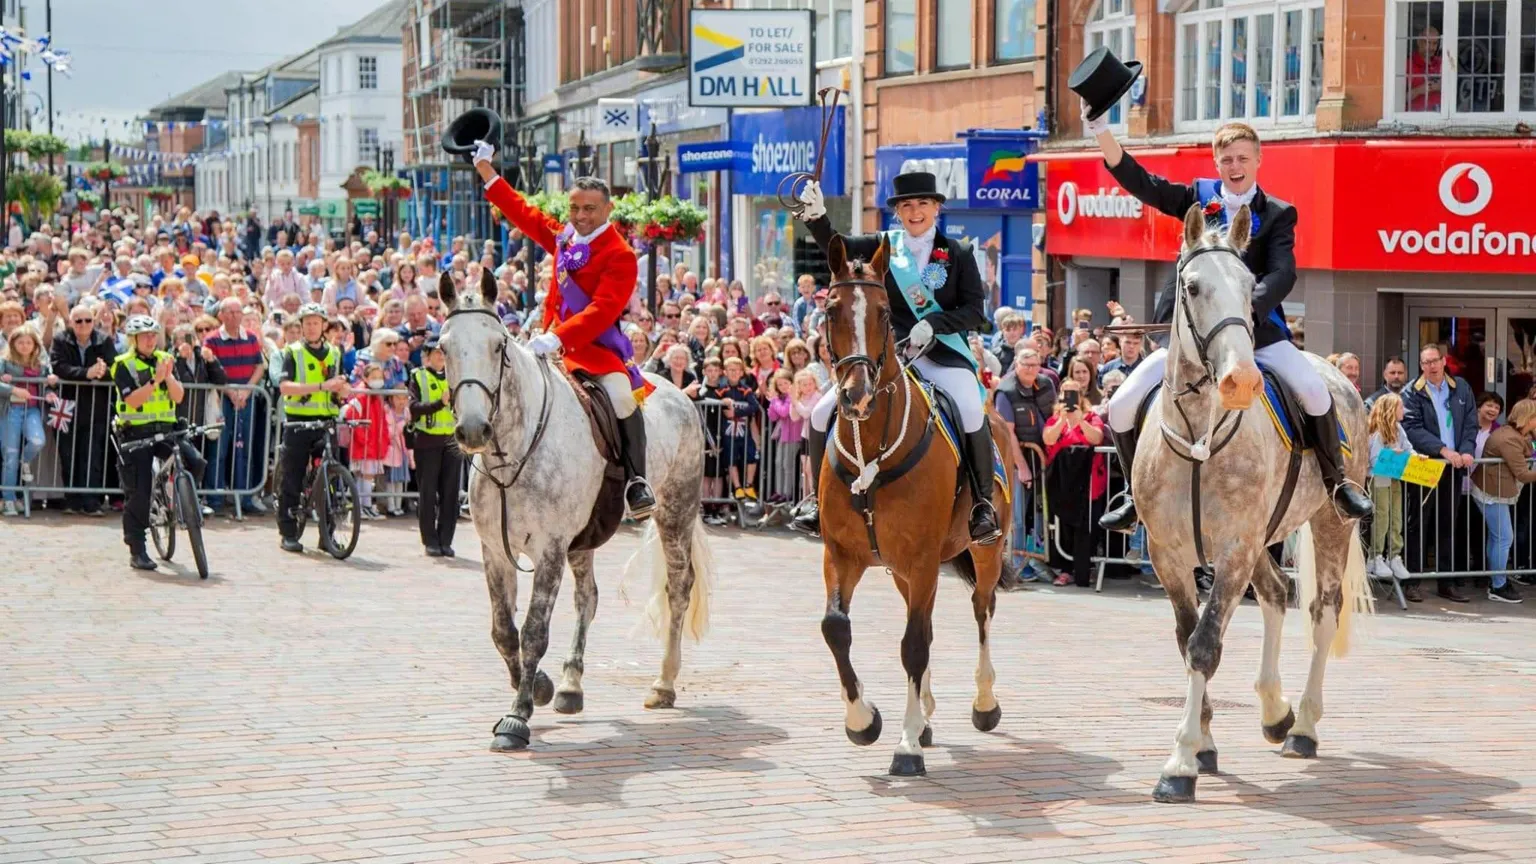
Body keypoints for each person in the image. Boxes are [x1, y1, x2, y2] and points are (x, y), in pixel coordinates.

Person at [1083, 111, 1373, 530]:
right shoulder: (1197, 200)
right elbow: (1141, 183)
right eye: (1227, 160)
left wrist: (1240, 310)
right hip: (1195, 336)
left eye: (1242, 158)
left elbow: (1283, 272)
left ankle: (1337, 485)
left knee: (1315, 391)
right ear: (1216, 163)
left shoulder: (1277, 213)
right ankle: (1133, 493)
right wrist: (1100, 132)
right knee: (1123, 404)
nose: (1234, 167)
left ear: (1257, 161)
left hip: (1254, 330)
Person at [792, 170, 1001, 543]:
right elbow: (835, 248)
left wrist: (935, 323)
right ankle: (815, 500)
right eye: (907, 205)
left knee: (971, 408)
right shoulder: (881, 246)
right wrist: (816, 216)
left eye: (922, 203)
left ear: (936, 207)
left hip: (942, 355)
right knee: (823, 411)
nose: (915, 211)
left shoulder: (959, 253)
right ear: (898, 212)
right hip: (890, 358)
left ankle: (982, 504)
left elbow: (975, 313)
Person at [472, 139, 656, 520]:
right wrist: (487, 170)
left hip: (595, 351)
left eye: (589, 208)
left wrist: (557, 336)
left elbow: (603, 310)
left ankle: (637, 481)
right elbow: (524, 213)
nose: (580, 215)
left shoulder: (620, 254)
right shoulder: (564, 238)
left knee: (622, 398)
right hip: (551, 347)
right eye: (574, 207)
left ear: (608, 208)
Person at [111, 316, 204, 571]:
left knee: (195, 461)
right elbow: (132, 401)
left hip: (166, 429)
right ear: (134, 339)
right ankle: (137, 550)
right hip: (136, 434)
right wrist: (155, 381)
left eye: (154, 335)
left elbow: (179, 395)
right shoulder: (123, 365)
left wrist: (168, 376)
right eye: (145, 336)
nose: (150, 340)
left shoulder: (165, 359)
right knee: (139, 491)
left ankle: (179, 499)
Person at [1400, 344, 1477, 603]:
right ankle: (1412, 580)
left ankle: (1447, 582)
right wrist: (1443, 450)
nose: (1431, 366)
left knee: (1448, 523)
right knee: (1417, 524)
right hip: (1425, 464)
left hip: (1453, 467)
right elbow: (1412, 429)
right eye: (1426, 362)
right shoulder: (1411, 392)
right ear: (1420, 365)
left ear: (1444, 362)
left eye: (1435, 361)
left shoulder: (1461, 387)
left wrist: (1466, 450)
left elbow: (1470, 423)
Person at [276, 303, 352, 553]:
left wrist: (343, 388)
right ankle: (288, 533)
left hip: (326, 421)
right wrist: (321, 387)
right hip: (298, 421)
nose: (311, 327)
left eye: (315, 323)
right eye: (306, 323)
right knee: (292, 477)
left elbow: (340, 386)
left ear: (323, 326)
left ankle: (327, 535)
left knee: (331, 477)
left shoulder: (335, 352)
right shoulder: (293, 351)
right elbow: (285, 387)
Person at [50, 304, 117, 515]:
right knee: (68, 454)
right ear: (71, 322)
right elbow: (59, 366)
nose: (83, 325)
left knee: (92, 455)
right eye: (78, 321)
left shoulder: (104, 340)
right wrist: (86, 373)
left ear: (93, 321)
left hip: (95, 407)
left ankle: (91, 502)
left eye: (88, 320)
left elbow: (113, 368)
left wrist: (101, 372)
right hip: (67, 405)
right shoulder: (61, 339)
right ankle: (72, 500)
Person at [1472, 398, 1536, 604]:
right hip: (1492, 494)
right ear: (1529, 418)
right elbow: (1524, 474)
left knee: (1497, 537)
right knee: (1504, 538)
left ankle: (1496, 580)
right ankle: (1498, 585)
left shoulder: (1514, 434)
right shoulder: (1510, 439)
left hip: (1494, 491)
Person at [408, 337, 463, 557]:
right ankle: (430, 540)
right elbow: (414, 407)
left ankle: (446, 540)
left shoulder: (456, 376)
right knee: (428, 493)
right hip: (427, 442)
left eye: (443, 353)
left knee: (450, 494)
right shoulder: (418, 377)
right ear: (427, 356)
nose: (440, 357)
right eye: (436, 353)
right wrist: (439, 403)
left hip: (451, 442)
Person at [1, 324, 54, 516]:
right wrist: (13, 389)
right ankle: (9, 499)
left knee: (38, 440)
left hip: (31, 410)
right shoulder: (4, 361)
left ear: (34, 345)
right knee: (10, 456)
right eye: (20, 342)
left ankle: (25, 460)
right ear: (13, 344)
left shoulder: (40, 365)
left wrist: (49, 391)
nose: (24, 346)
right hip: (10, 411)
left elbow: (48, 381)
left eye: (28, 342)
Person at [1365, 393, 1412, 584]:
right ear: (1392, 410)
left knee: (1397, 516)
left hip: (1394, 477)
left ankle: (1394, 555)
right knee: (1382, 515)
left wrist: (1417, 456)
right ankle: (1375, 555)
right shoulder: (1378, 433)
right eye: (1401, 407)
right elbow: (1376, 460)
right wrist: (1394, 455)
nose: (1404, 411)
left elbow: (1408, 448)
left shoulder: (1399, 429)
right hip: (1380, 478)